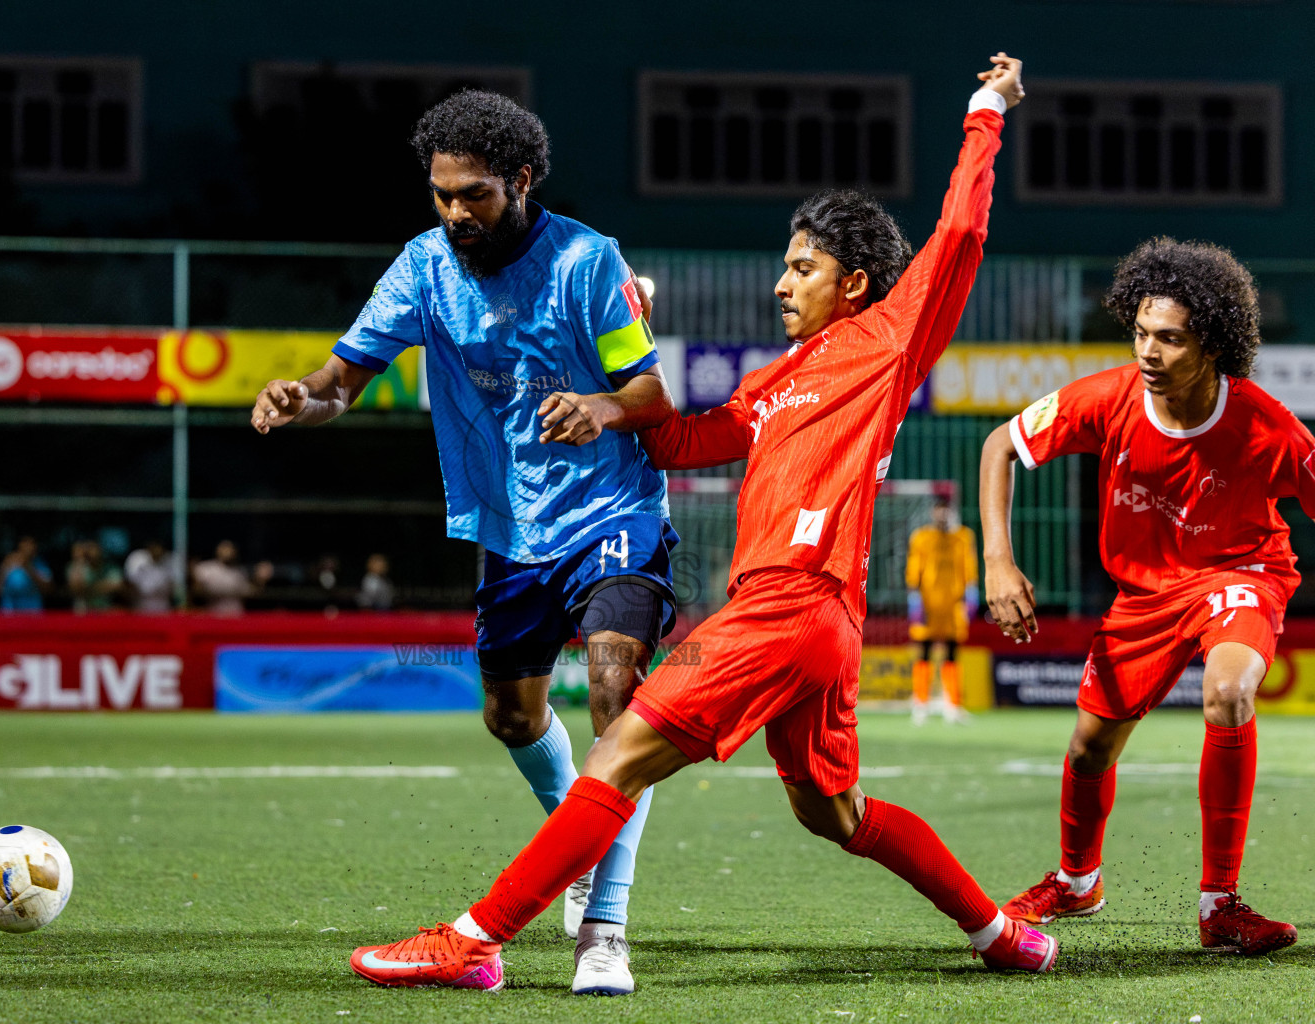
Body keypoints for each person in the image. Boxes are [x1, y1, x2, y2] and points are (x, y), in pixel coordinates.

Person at [349, 55, 1055, 994]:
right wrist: (615, 368)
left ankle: (475, 939)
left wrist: (984, 110)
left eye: (802, 268)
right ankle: (1001, 934)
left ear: (854, 284)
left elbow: (960, 231)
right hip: (819, 624)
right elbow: (678, 440)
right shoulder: (774, 383)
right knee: (833, 813)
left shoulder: (888, 340)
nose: (781, 284)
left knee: (619, 750)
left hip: (791, 604)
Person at [255, 89, 679, 995]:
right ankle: (579, 834)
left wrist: (600, 407)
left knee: (617, 695)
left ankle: (604, 929)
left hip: (614, 513)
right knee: (512, 718)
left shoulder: (588, 261)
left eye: (474, 194)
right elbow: (342, 381)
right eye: (442, 194)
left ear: (520, 181)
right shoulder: (421, 267)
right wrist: (303, 398)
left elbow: (650, 396)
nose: (456, 212)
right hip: (508, 527)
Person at [981, 236, 1303, 955]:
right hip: (1143, 597)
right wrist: (998, 562)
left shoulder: (1265, 425)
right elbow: (1000, 445)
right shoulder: (1108, 398)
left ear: (1212, 345)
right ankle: (1077, 881)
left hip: (1239, 573)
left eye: (1170, 339)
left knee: (1229, 693)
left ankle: (1221, 905)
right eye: (1140, 332)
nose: (1148, 352)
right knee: (1089, 748)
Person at [905, 495, 979, 724]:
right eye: (939, 510)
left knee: (952, 652)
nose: (943, 514)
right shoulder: (921, 537)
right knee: (924, 651)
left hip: (953, 604)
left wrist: (972, 591)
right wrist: (914, 596)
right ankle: (920, 703)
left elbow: (969, 565)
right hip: (928, 604)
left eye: (946, 510)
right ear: (933, 512)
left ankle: (953, 705)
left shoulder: (963, 537)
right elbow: (914, 567)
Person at [191, 539, 273, 615]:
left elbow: (251, 593)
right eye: (224, 549)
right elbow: (196, 591)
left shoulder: (239, 572)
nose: (227, 552)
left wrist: (260, 580)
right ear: (218, 550)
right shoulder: (206, 568)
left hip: (235, 617)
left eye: (230, 549)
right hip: (213, 616)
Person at [0, 535, 51, 613]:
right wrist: (4, 567)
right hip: (9, 612)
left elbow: (48, 589)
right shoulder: (9, 562)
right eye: (25, 544)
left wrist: (28, 567)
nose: (28, 548)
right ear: (19, 545)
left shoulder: (40, 565)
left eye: (31, 544)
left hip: (33, 612)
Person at [68, 539, 125, 613]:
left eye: (92, 548)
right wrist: (80, 560)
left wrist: (89, 590)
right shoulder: (77, 567)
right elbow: (77, 590)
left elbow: (118, 586)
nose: (89, 552)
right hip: (84, 610)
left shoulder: (110, 567)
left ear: (100, 550)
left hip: (105, 609)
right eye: (87, 549)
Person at [125, 540, 178, 613]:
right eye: (154, 548)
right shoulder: (137, 559)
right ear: (149, 548)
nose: (157, 551)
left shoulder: (171, 561)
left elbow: (175, 586)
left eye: (159, 549)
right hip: (141, 604)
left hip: (163, 605)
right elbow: (130, 584)